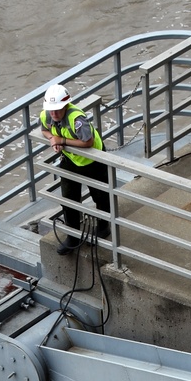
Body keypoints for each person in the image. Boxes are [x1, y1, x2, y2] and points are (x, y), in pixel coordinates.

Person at [39, 83, 111, 254]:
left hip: (94, 161)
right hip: (71, 161)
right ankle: (73, 236)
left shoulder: (77, 119)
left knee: (100, 196)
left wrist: (62, 141)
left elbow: (88, 142)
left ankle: (103, 227)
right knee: (69, 198)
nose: (54, 114)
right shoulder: (47, 114)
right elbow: (44, 129)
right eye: (51, 110)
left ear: (66, 105)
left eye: (57, 109)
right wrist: (52, 138)